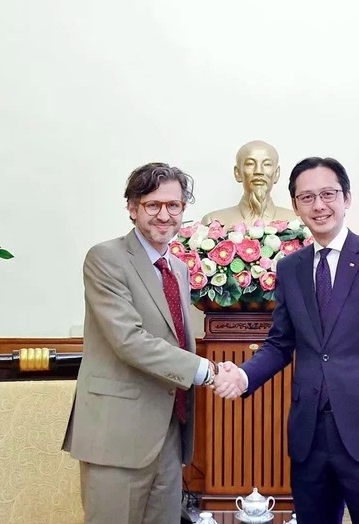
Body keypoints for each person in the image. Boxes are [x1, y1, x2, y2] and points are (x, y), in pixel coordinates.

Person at [215, 157, 359, 524]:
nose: (319, 205)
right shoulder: (290, 267)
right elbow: (281, 343)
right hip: (309, 435)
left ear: (346, 199)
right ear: (296, 206)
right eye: (307, 197)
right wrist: (244, 376)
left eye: (328, 194)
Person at [62, 162, 227, 524]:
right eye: (153, 205)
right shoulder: (106, 258)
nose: (164, 215)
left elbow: (174, 339)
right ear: (132, 208)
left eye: (174, 205)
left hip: (168, 431)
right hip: (117, 434)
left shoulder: (178, 268)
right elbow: (129, 340)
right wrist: (206, 371)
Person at [201, 140, 298, 227]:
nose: (258, 171)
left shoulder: (296, 222)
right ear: (237, 173)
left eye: (267, 164)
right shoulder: (213, 223)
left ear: (276, 173)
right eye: (250, 164)